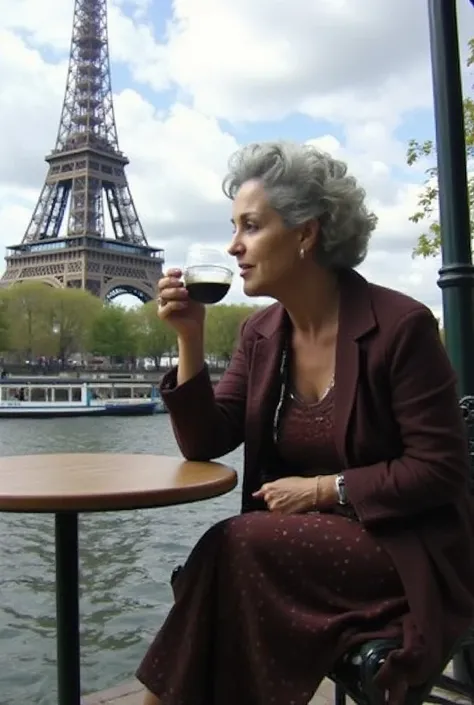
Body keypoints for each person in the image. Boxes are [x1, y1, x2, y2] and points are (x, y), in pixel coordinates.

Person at [136, 141, 474, 705]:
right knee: (232, 560)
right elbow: (205, 440)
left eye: (250, 225)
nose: (233, 245)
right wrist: (189, 338)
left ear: (305, 234)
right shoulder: (261, 333)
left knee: (232, 549)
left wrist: (323, 489)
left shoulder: (401, 327)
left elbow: (440, 471)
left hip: (402, 545)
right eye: (233, 226)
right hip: (296, 547)